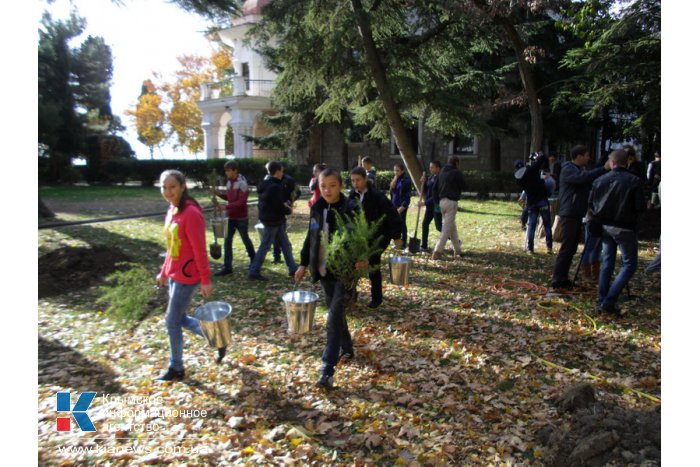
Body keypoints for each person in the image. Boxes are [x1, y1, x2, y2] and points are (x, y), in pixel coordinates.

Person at [295, 168, 367, 389]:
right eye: (323, 186)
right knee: (337, 316)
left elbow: (362, 235)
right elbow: (311, 237)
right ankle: (347, 348)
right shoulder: (316, 208)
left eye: (332, 185)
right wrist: (303, 263)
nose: (327, 190)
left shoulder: (350, 208)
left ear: (340, 186)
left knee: (332, 318)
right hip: (324, 271)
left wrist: (362, 256)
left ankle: (327, 369)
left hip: (344, 272)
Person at [156, 170, 217, 381]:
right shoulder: (172, 210)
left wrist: (206, 279)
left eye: (172, 187)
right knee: (180, 318)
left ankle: (177, 368)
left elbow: (199, 249)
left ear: (182, 187)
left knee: (171, 321)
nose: (168, 191)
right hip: (173, 274)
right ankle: (215, 336)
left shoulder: (191, 213)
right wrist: (164, 272)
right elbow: (170, 246)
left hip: (187, 276)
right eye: (164, 187)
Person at [589, 149, 646, 315]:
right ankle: (609, 299)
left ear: (612, 162)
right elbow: (640, 206)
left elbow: (592, 204)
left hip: (605, 226)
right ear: (627, 162)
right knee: (629, 264)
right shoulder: (634, 181)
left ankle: (602, 297)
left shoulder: (599, 180)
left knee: (607, 262)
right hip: (625, 227)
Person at [550, 145, 608, 289]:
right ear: (579, 156)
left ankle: (563, 278)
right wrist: (604, 168)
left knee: (572, 248)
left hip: (576, 214)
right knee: (567, 247)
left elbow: (588, 180)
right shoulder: (568, 169)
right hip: (569, 213)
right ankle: (557, 280)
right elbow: (583, 178)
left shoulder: (579, 170)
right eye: (587, 155)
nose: (589, 158)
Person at [349, 167, 403, 308]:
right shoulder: (352, 196)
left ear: (365, 179)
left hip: (378, 236)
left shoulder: (377, 196)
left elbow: (392, 215)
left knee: (373, 264)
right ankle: (350, 294)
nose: (355, 183)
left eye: (358, 180)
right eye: (353, 181)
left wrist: (397, 236)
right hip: (359, 237)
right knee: (354, 265)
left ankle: (376, 298)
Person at [249, 161, 298, 281]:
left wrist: (284, 205)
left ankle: (293, 269)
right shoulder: (275, 187)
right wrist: (288, 210)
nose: (283, 173)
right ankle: (254, 271)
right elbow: (277, 206)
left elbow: (271, 202)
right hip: (273, 220)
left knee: (285, 244)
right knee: (265, 245)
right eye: (281, 170)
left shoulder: (265, 184)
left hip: (273, 219)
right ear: (277, 171)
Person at [214, 160, 257, 276]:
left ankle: (255, 261)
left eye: (229, 170)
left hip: (241, 217)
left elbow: (242, 202)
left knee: (245, 239)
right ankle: (227, 267)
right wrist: (219, 194)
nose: (227, 173)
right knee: (227, 241)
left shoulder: (242, 183)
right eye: (226, 171)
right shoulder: (229, 182)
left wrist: (226, 207)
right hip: (230, 217)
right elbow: (230, 198)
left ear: (235, 170)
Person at [514, 152, 554, 254]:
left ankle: (530, 249)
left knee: (531, 226)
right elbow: (543, 157)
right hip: (542, 200)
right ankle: (549, 247)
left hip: (531, 203)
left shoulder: (519, 179)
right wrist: (539, 155)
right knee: (547, 225)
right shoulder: (532, 170)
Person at [432, 156, 468, 260]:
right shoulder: (456, 172)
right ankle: (437, 251)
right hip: (452, 202)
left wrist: (436, 202)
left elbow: (434, 188)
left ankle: (457, 250)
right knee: (446, 229)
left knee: (452, 227)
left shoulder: (442, 172)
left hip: (441, 202)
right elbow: (464, 186)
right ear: (456, 163)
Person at [273, 165, 300, 263]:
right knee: (278, 234)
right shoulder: (271, 180)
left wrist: (289, 202)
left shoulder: (289, 180)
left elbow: (297, 191)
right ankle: (277, 256)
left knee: (280, 233)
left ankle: (282, 256)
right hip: (276, 209)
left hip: (284, 208)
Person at [419, 160, 443, 251]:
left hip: (436, 205)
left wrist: (424, 203)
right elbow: (426, 190)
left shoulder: (441, 179)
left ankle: (456, 240)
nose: (430, 169)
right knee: (425, 224)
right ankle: (424, 246)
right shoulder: (431, 177)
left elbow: (436, 195)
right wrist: (424, 182)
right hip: (429, 206)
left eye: (432, 167)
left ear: (438, 168)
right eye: (430, 167)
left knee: (439, 226)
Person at [390, 163, 412, 246]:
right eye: (394, 170)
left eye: (397, 170)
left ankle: (403, 242)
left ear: (402, 170)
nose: (395, 172)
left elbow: (407, 196)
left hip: (401, 205)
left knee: (402, 223)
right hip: (394, 204)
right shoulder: (395, 179)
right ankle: (397, 240)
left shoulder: (406, 180)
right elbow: (392, 193)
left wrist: (403, 206)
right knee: (394, 223)